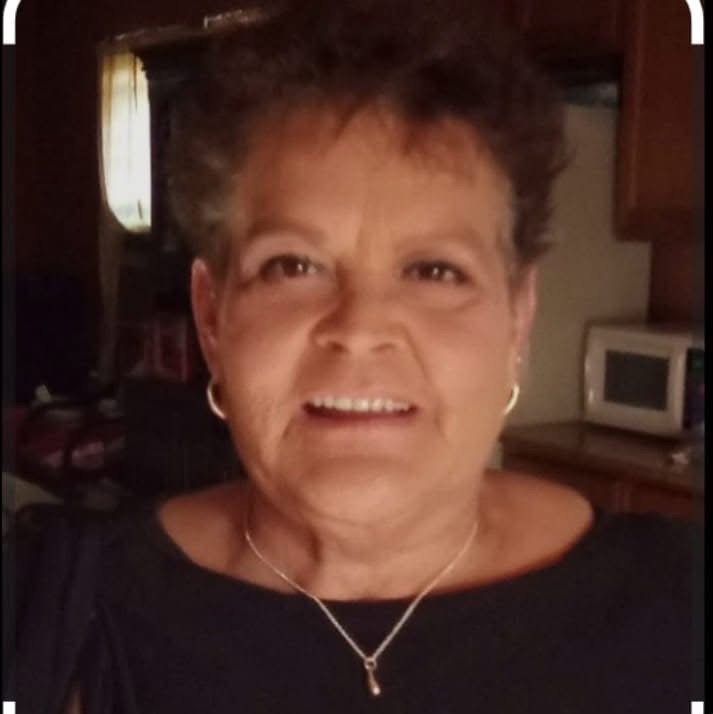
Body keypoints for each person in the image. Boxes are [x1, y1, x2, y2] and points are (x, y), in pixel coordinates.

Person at [6, 1, 701, 712]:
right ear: (212, 316)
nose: (360, 327)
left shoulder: (679, 607)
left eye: (434, 270)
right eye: (292, 266)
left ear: (517, 319)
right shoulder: (55, 611)